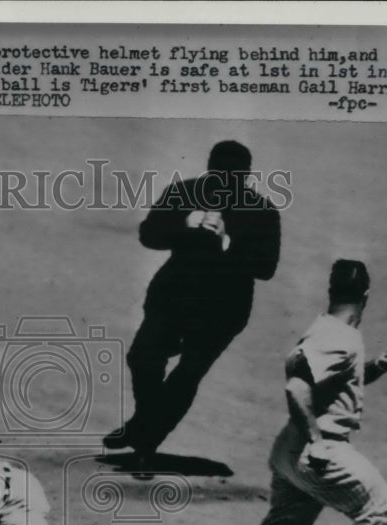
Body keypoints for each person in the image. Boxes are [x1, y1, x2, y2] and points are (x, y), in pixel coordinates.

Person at [156, 260, 387, 525]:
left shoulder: (331, 330)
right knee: (384, 512)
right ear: (366, 296)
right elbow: (297, 388)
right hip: (318, 449)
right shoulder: (337, 336)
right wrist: (318, 440)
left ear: (331, 291)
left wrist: (376, 369)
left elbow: (332, 381)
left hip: (291, 450)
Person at [104, 140, 281, 464]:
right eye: (220, 173)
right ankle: (144, 425)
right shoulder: (183, 193)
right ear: (210, 169)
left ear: (246, 176)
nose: (226, 181)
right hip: (173, 296)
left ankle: (146, 436)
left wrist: (228, 246)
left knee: (186, 374)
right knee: (143, 358)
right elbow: (148, 234)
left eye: (234, 176)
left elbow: (266, 268)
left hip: (223, 308)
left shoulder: (261, 211)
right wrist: (185, 229)